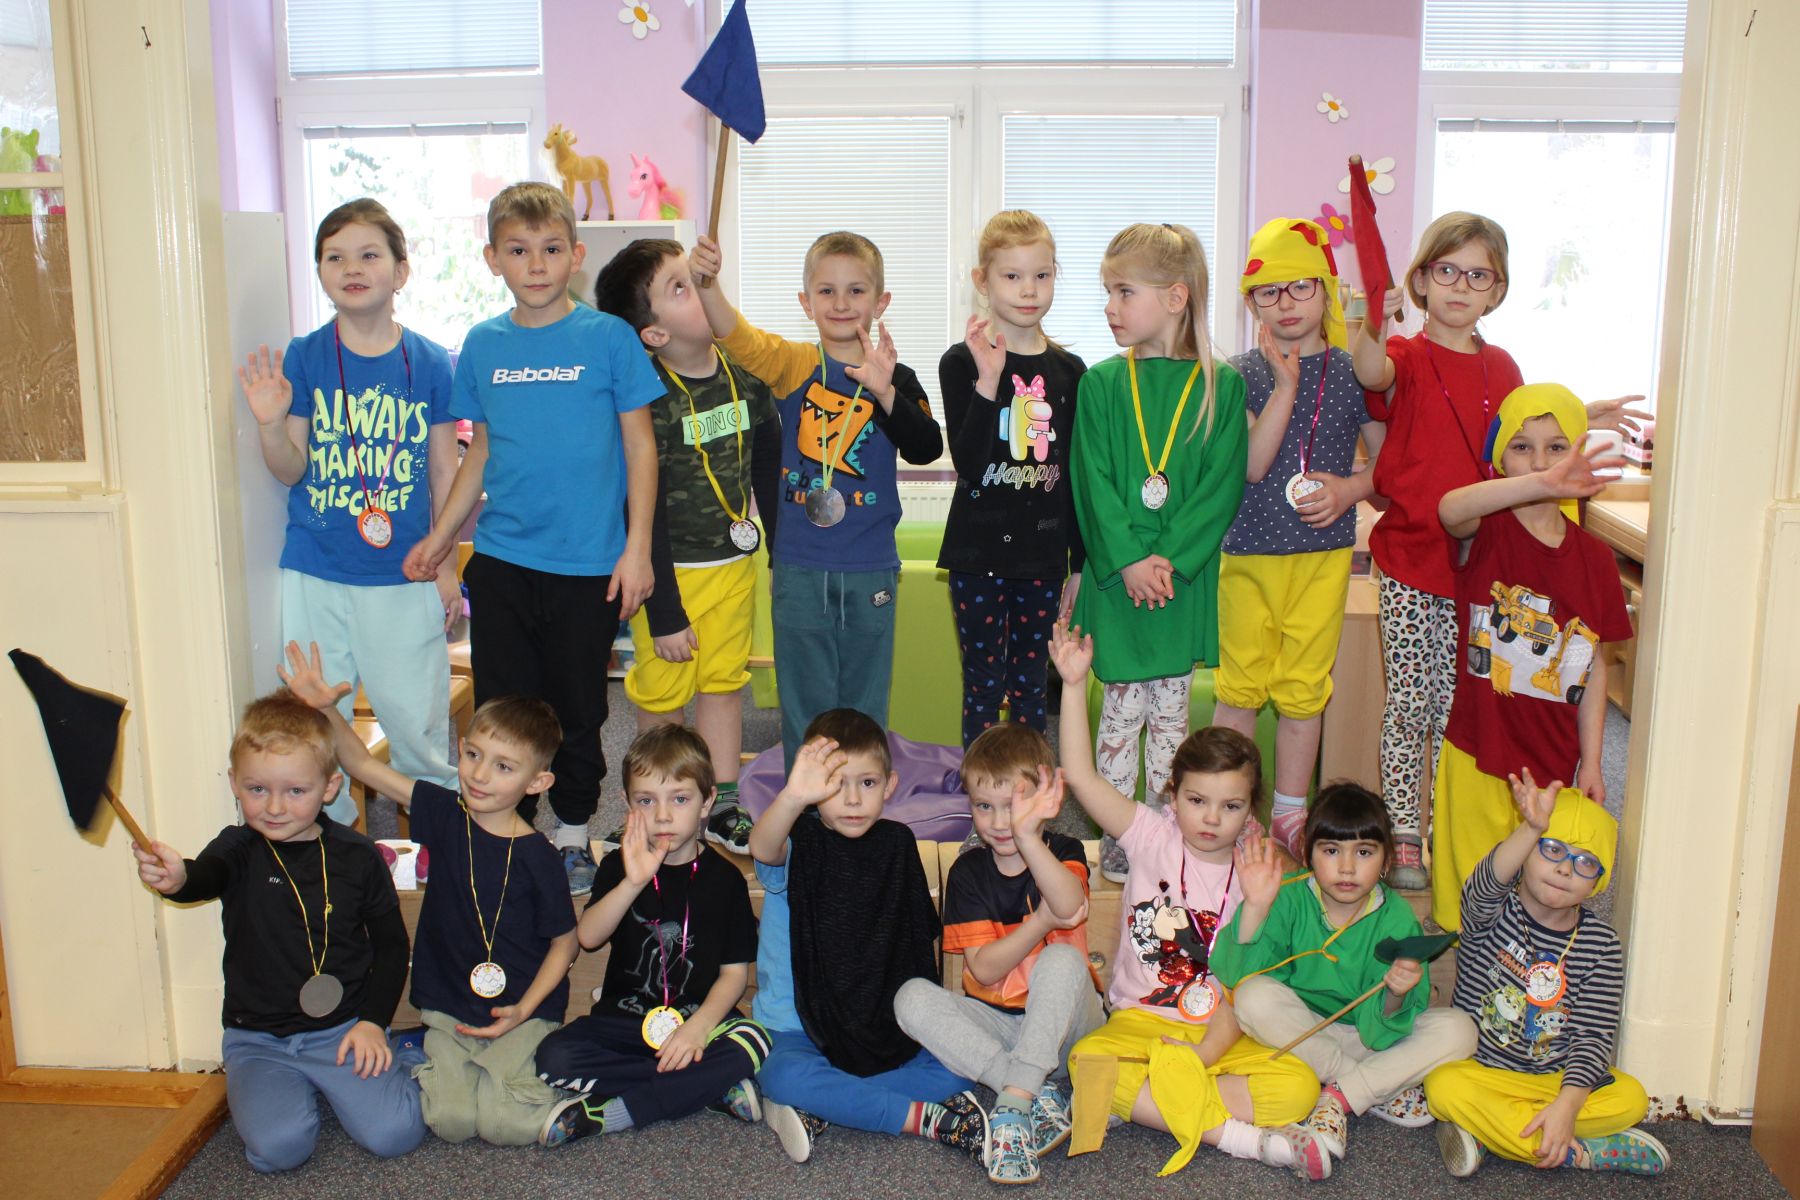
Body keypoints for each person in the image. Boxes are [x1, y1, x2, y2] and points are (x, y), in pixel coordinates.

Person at [1352, 213, 1641, 891]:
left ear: (1497, 290)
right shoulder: (1406, 355)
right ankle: (1403, 832)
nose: (1460, 285)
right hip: (1413, 561)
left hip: (1482, 571)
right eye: (1446, 270)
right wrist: (1371, 323)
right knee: (1410, 705)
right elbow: (1369, 367)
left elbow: (1521, 429)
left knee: (1460, 714)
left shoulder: (1502, 365)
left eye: (1477, 275)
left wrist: (1581, 413)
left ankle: (1443, 827)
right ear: (1422, 280)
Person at [402, 181, 664, 896]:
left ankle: (573, 833)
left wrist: (637, 548)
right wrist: (441, 537)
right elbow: (479, 451)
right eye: (518, 251)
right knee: (503, 709)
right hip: (504, 562)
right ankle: (503, 837)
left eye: (551, 249)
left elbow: (641, 448)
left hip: (587, 565)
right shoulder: (483, 345)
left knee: (579, 709)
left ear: (576, 256)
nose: (537, 264)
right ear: (493, 259)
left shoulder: (608, 339)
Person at [1050, 623, 1329, 1182]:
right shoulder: (1149, 834)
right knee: (1087, 1063)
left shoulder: (1262, 868)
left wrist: (1257, 907)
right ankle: (1239, 1137)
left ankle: (1165, 1101)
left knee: (1299, 1085)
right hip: (1142, 1024)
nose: (1211, 818)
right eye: (1198, 800)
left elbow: (1250, 978)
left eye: (1231, 806)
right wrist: (1074, 685)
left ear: (1251, 809)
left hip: (1220, 1033)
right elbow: (1079, 775)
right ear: (1172, 795)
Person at [278, 640, 579, 1147]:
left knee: (505, 1126)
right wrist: (325, 708)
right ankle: (425, 1054)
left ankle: (539, 1077)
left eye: (504, 767)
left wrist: (525, 1009)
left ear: (538, 782)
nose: (480, 775)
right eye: (474, 755)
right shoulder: (443, 813)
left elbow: (565, 944)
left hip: (523, 1011)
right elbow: (362, 766)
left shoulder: (540, 858)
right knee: (451, 1122)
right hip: (449, 1005)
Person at [132, 690, 423, 1172]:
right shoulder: (237, 849)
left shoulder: (358, 857)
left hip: (343, 1028)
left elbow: (392, 947)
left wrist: (372, 1022)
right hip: (258, 1041)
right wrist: (178, 878)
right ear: (234, 783)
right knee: (279, 1150)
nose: (274, 807)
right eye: (257, 788)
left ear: (329, 787)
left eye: (295, 791)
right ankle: (291, 1089)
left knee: (396, 1134)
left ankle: (406, 1052)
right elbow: (204, 876)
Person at [238, 197, 459, 826]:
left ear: (401, 270)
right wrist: (270, 423)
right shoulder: (306, 356)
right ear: (319, 272)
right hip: (317, 572)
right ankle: (332, 857)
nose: (352, 268)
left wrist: (446, 568)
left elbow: (445, 471)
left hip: (405, 574)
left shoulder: (430, 361)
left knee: (418, 728)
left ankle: (436, 853)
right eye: (334, 257)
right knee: (314, 728)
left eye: (369, 255)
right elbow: (290, 468)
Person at [690, 231, 943, 769]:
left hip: (871, 567)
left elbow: (926, 447)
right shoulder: (794, 365)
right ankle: (806, 803)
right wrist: (707, 285)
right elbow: (736, 337)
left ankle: (861, 796)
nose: (841, 303)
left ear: (880, 302)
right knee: (805, 702)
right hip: (800, 566)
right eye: (826, 291)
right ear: (806, 303)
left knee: (865, 701)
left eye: (856, 290)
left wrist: (885, 391)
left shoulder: (896, 376)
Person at [1069, 223, 1248, 883]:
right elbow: (1093, 483)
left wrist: (1166, 561)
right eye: (1108, 292)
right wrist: (1130, 561)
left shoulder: (1222, 386)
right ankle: (1120, 838)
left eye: (1124, 291)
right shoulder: (1100, 384)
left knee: (1172, 719)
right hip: (1121, 584)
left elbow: (1219, 489)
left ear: (1175, 297)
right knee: (1118, 718)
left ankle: (1167, 835)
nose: (1110, 307)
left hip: (1177, 583)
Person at [592, 239, 782, 855]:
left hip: (734, 567)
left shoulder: (745, 376)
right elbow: (640, 509)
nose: (698, 288)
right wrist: (666, 612)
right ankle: (654, 804)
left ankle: (722, 802)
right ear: (653, 334)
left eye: (696, 278)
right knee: (662, 698)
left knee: (723, 686)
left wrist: (778, 555)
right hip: (667, 575)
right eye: (679, 287)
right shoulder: (647, 397)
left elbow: (768, 466)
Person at [1429, 383, 1632, 931]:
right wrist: (1541, 483)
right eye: (1522, 447)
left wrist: (1593, 761)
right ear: (1501, 458)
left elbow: (1593, 670)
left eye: (1556, 447)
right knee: (1466, 897)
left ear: (1579, 452)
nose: (1540, 461)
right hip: (1476, 747)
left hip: (1551, 760)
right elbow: (1450, 508)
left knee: (1533, 893)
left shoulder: (1595, 560)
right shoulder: (1485, 529)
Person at [1215, 218, 1385, 858]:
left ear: (1327, 291)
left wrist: (1349, 490)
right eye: (1269, 292)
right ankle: (1229, 806)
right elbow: (1251, 465)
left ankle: (1289, 812)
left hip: (1323, 557)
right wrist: (1284, 386)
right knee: (1238, 689)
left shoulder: (1354, 372)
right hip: (1248, 556)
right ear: (1251, 302)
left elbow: (1388, 467)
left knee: (1304, 691)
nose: (1285, 303)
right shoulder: (1237, 375)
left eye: (1300, 288)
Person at [747, 709, 984, 1165]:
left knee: (965, 1064)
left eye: (868, 783)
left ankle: (825, 1105)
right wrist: (793, 797)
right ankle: (915, 1117)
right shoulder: (796, 841)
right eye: (836, 784)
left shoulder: (896, 844)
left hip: (879, 1024)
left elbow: (913, 943)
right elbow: (762, 846)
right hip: (796, 1025)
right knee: (779, 1073)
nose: (853, 799)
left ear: (890, 786)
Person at [1213, 783, 1477, 1168]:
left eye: (1364, 852)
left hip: (1368, 1039)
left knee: (1460, 1029)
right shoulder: (1289, 896)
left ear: (1386, 860)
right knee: (1253, 996)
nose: (1347, 868)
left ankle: (1338, 1096)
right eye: (1332, 851)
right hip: (1305, 1033)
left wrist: (1396, 994)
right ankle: (1371, 1087)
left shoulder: (1396, 917)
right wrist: (1254, 906)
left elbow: (1379, 1035)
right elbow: (1235, 975)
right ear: (1308, 853)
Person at [534, 725, 769, 1145]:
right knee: (553, 1056)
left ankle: (620, 1111)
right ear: (627, 803)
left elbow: (734, 975)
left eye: (679, 799)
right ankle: (706, 1086)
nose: (662, 815)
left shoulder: (726, 880)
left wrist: (698, 1028)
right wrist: (633, 882)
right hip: (624, 1024)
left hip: (700, 1024)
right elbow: (588, 937)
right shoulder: (618, 866)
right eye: (646, 800)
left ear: (707, 801)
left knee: (755, 1041)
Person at [1424, 774, 1668, 1177]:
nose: (1564, 869)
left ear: (1598, 881)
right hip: (1482, 1073)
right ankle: (1581, 1152)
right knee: (1442, 1086)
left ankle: (1492, 1132)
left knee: (1632, 1097)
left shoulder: (1602, 944)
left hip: (1553, 1081)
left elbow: (1593, 1036)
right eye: (1552, 849)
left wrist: (1567, 1106)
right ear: (1525, 853)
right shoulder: (1492, 911)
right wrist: (1531, 827)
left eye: (1585, 862)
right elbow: (1483, 885)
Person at [894, 723, 1104, 1184]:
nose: (998, 821)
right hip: (1001, 1026)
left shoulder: (1063, 849)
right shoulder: (968, 871)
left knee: (1061, 960)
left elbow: (1068, 904)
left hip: (1069, 1029)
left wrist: (1029, 840)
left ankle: (1011, 1106)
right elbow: (985, 970)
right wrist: (1041, 923)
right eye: (984, 806)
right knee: (910, 997)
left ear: (1045, 801)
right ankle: (1029, 1087)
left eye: (1013, 806)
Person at [937, 211, 1087, 748]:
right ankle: (982, 787)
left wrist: (1079, 565)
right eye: (1012, 276)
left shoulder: (1072, 371)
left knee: (1030, 686)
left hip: (1042, 559)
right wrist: (990, 379)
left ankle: (1030, 785)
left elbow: (1076, 478)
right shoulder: (961, 363)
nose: (1028, 290)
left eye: (1041, 275)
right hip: (977, 556)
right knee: (983, 684)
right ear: (983, 281)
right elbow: (970, 463)